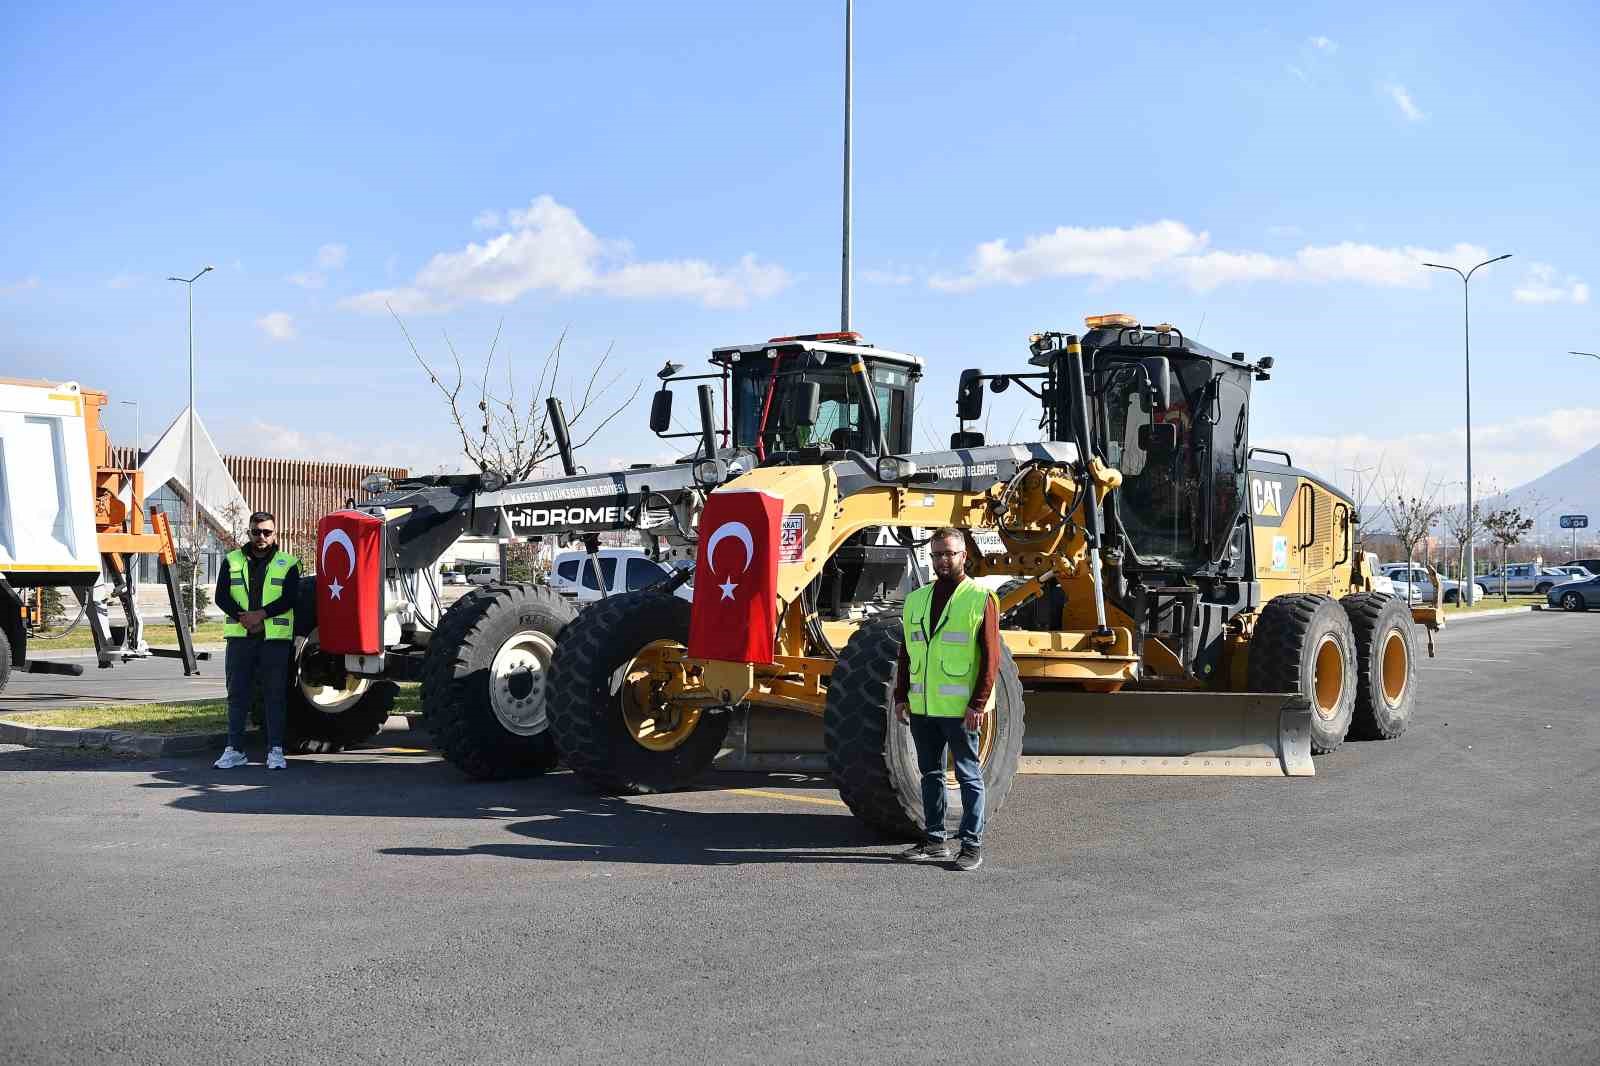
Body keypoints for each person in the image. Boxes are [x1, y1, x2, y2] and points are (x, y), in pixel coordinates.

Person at [892, 528, 1000, 872]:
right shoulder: (917, 600)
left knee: (969, 775)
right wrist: (900, 695)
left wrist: (978, 703)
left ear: (963, 555)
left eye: (949, 553)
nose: (942, 560)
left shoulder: (979, 598)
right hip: (923, 707)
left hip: (961, 710)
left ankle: (971, 845)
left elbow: (991, 658)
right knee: (931, 775)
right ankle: (935, 841)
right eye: (937, 554)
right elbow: (907, 653)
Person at [212, 511, 300, 770]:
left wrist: (260, 615)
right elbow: (221, 597)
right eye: (256, 531)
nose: (261, 537)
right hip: (241, 639)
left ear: (275, 534)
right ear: (248, 532)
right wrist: (244, 618)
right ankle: (234, 749)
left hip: (274, 640)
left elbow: (290, 598)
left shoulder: (289, 563)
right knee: (237, 695)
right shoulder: (232, 560)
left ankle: (275, 751)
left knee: (275, 696)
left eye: (266, 532)